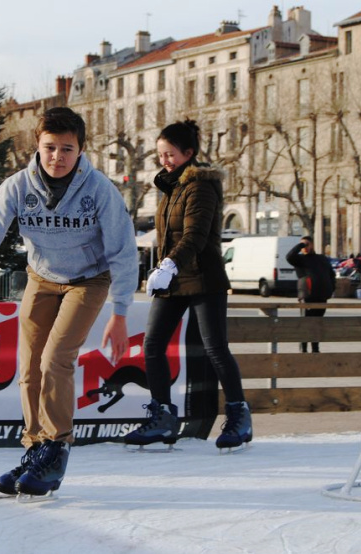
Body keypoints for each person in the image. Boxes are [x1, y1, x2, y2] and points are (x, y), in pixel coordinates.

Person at [0, 107, 138, 496]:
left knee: (56, 358)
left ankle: (57, 446)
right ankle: (35, 447)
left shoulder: (100, 190)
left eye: (67, 149)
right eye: (49, 148)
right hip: (41, 278)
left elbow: (123, 251)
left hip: (89, 281)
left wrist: (120, 312)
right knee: (29, 367)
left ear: (81, 149)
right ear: (36, 147)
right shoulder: (17, 188)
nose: (57, 157)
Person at [123, 120, 252, 451]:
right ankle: (163, 416)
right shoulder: (170, 188)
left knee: (215, 348)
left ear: (189, 153)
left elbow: (194, 236)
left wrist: (168, 264)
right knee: (152, 345)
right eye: (161, 154)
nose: (164, 160)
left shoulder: (200, 187)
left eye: (170, 154)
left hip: (204, 278)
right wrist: (163, 266)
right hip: (175, 279)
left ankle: (239, 415)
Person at [285, 236, 335, 353]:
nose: (305, 247)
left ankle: (315, 348)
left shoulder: (321, 259)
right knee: (306, 324)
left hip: (321, 297)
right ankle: (303, 349)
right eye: (303, 245)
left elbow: (331, 275)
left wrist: (330, 289)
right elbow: (289, 256)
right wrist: (301, 245)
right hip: (307, 297)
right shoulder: (299, 259)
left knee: (317, 324)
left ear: (312, 245)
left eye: (307, 244)